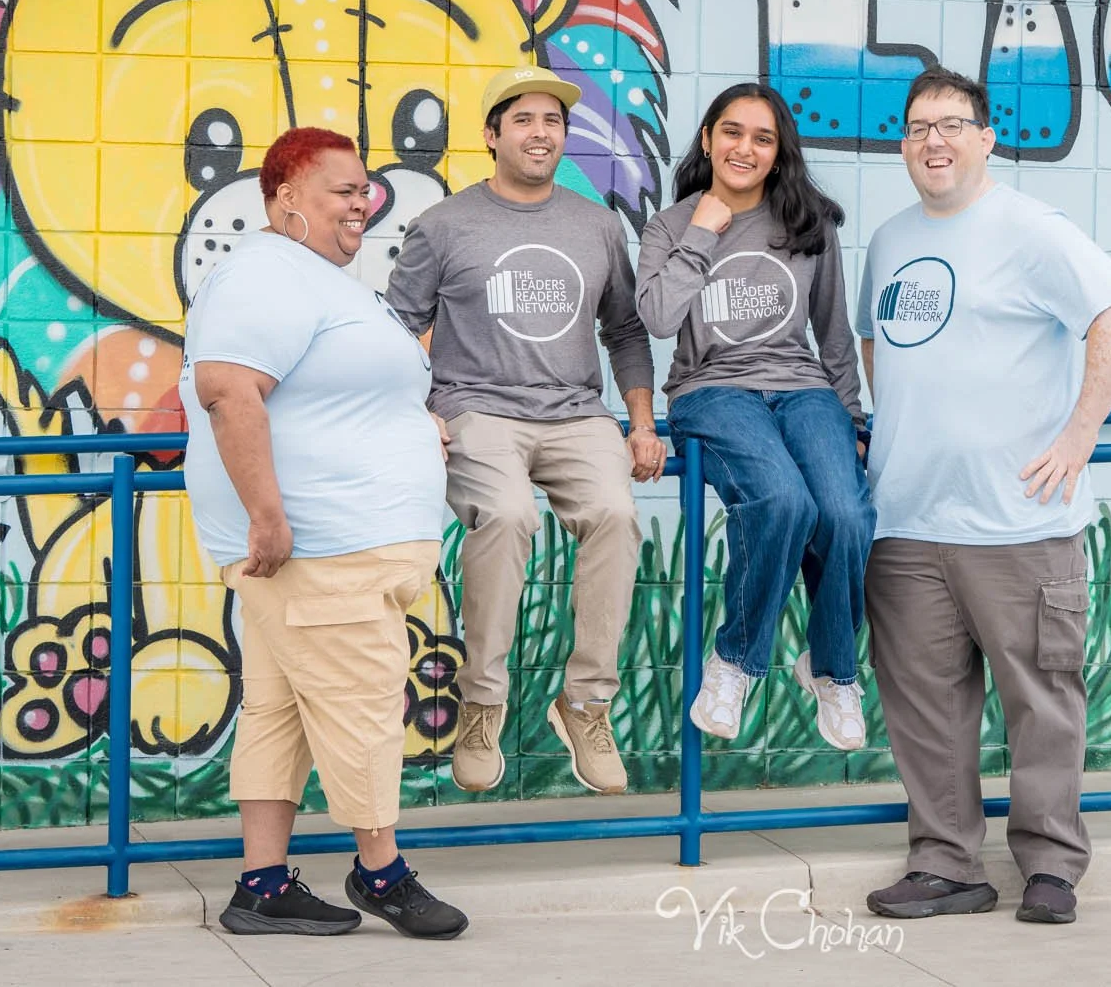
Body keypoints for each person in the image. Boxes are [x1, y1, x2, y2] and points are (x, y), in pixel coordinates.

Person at [856, 69, 1111, 927]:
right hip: (907, 519)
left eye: (951, 124)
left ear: (986, 137)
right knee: (925, 707)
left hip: (1019, 519)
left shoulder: (1030, 228)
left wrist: (1078, 435)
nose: (933, 141)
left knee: (1042, 698)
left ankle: (1052, 866)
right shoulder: (888, 238)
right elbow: (877, 345)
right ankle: (947, 863)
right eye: (917, 127)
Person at [182, 126, 466, 940]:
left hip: (331, 548)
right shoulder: (262, 273)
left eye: (365, 187)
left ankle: (262, 885)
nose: (362, 201)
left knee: (277, 711)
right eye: (342, 189)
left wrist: (413, 426)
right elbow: (230, 391)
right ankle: (382, 871)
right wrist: (268, 515)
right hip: (318, 547)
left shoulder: (317, 279)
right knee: (364, 706)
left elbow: (336, 391)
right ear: (284, 199)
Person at [384, 66, 665, 797]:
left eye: (553, 121)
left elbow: (626, 329)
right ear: (492, 134)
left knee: (615, 514)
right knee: (508, 516)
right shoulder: (443, 225)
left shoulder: (596, 224)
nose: (542, 133)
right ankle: (482, 702)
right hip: (477, 410)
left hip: (576, 413)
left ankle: (585, 702)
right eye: (526, 120)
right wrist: (416, 413)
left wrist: (640, 422)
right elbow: (391, 332)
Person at [636, 83, 874, 750]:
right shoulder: (670, 224)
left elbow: (830, 334)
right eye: (732, 132)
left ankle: (832, 668)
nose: (745, 147)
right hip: (711, 391)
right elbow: (656, 317)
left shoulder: (808, 222)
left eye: (762, 138)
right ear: (708, 138)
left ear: (778, 153)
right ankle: (735, 661)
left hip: (803, 390)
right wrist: (704, 230)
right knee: (780, 499)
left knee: (847, 511)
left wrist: (850, 420)